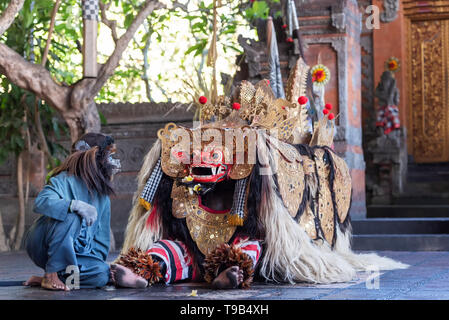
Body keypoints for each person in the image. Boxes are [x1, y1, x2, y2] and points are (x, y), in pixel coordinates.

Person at [23, 133, 121, 291]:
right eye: (108, 155)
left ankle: (52, 277)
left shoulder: (103, 198)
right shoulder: (62, 180)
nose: (111, 161)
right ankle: (52, 274)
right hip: (41, 246)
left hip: (74, 257)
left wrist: (95, 265)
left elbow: (100, 244)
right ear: (93, 157)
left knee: (102, 275)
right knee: (72, 216)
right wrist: (74, 205)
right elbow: (40, 203)